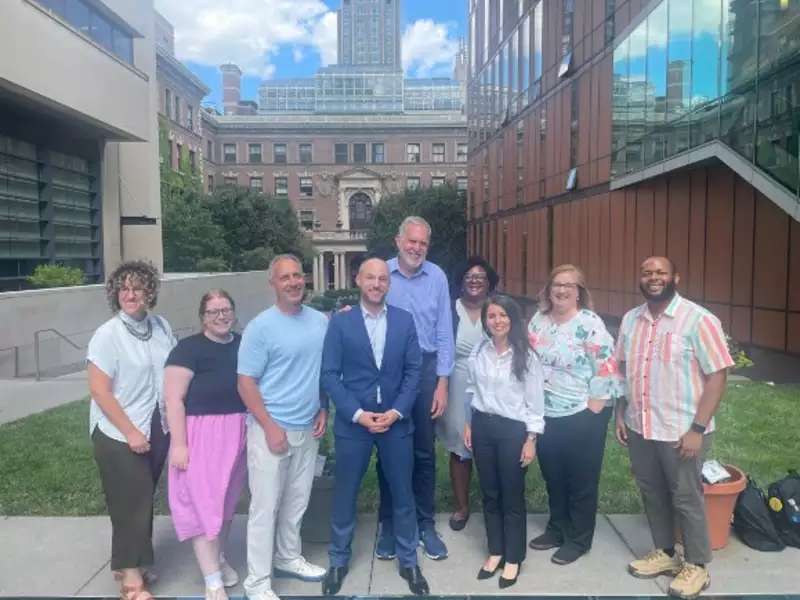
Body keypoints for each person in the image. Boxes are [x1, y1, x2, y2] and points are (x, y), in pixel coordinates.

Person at [614, 256, 734, 600]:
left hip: (682, 430)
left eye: (661, 272)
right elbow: (622, 371)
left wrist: (697, 428)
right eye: (647, 272)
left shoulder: (698, 319)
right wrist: (620, 413)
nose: (653, 277)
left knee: (685, 497)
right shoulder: (630, 320)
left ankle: (697, 566)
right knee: (651, 491)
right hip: (641, 426)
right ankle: (665, 554)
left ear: (675, 277)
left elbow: (717, 375)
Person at [320, 258, 429, 596]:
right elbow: (329, 375)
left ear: (389, 284)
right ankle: (338, 560)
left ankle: (409, 560)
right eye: (371, 277)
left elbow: (414, 372)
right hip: (354, 424)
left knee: (402, 493)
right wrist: (356, 413)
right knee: (345, 493)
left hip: (395, 422)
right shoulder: (341, 324)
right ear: (358, 280)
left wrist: (397, 411)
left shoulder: (404, 321)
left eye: (383, 278)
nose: (377, 283)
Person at [237, 254, 329, 600]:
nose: (293, 282)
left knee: (297, 501)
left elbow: (321, 370)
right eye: (285, 277)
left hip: (307, 427)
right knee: (265, 508)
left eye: (297, 275)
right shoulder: (261, 327)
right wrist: (269, 425)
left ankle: (288, 556)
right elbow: (245, 383)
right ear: (272, 283)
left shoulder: (320, 321)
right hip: (269, 430)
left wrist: (323, 406)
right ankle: (257, 583)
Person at [87, 261, 176, 600]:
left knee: (140, 498)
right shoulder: (107, 335)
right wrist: (131, 433)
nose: (130, 294)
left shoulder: (161, 326)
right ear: (115, 294)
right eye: (123, 289)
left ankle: (132, 560)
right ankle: (132, 581)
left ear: (149, 291)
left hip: (157, 423)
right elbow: (100, 391)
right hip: (117, 430)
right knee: (130, 501)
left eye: (137, 288)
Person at [526, 264, 623, 565]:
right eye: (557, 283)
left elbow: (607, 365)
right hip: (545, 413)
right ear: (549, 288)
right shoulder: (538, 321)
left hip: (583, 413)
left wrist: (595, 408)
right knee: (553, 475)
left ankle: (579, 539)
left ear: (580, 292)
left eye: (570, 284)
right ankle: (557, 528)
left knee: (581, 480)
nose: (562, 289)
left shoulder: (589, 323)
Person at [376, 216, 454, 561]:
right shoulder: (382, 273)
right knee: (390, 450)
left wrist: (442, 382)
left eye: (423, 243)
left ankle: (424, 524)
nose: (416, 248)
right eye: (412, 241)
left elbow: (444, 332)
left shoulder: (436, 276)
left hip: (425, 368)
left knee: (423, 452)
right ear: (398, 240)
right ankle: (390, 525)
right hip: (388, 370)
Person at [164, 290, 246, 600]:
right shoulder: (187, 349)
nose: (221, 316)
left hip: (238, 432)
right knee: (203, 506)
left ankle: (219, 558)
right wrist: (180, 444)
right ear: (203, 318)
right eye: (213, 312)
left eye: (226, 309)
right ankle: (212, 580)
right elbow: (173, 400)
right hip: (201, 436)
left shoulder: (242, 344)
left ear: (234, 312)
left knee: (225, 507)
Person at [464, 294, 545, 589]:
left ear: (513, 319)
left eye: (503, 315)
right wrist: (469, 423)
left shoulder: (526, 356)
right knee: (490, 493)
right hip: (483, 427)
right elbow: (472, 389)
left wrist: (531, 439)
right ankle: (495, 550)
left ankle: (514, 557)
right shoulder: (479, 351)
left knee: (511, 495)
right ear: (485, 321)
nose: (497, 321)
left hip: (513, 431)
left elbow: (535, 404)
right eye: (492, 316)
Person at [438, 256, 498, 531]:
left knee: (492, 446)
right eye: (469, 276)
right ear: (461, 282)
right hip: (457, 382)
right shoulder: (449, 309)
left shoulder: (498, 309)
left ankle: (494, 505)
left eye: (481, 277)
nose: (475, 281)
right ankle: (462, 506)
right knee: (460, 448)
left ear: (489, 283)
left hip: (494, 385)